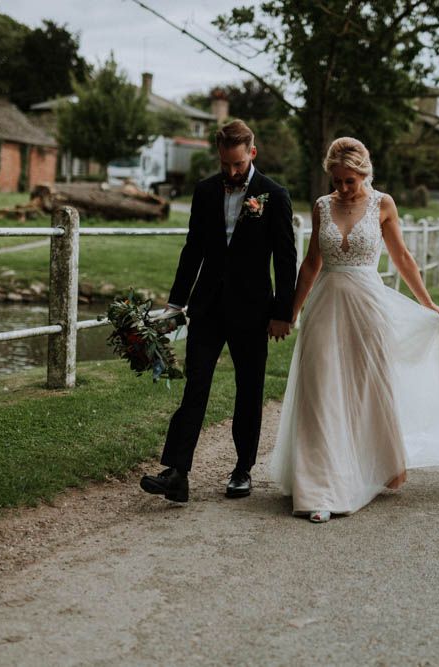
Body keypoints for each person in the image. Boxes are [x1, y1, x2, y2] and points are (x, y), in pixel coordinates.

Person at [270, 137, 439, 523]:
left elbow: (402, 256)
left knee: (369, 389)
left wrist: (426, 302)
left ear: (364, 174)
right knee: (320, 393)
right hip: (325, 308)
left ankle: (379, 464)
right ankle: (319, 488)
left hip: (369, 307)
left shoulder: (382, 204)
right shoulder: (321, 206)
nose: (343, 189)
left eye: (350, 181)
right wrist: (291, 312)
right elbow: (312, 262)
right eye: (337, 181)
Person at [140, 119, 297, 503]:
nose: (230, 172)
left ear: (252, 154)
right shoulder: (205, 191)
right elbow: (193, 249)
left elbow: (286, 258)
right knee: (196, 385)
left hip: (253, 309)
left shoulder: (273, 195)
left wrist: (283, 312)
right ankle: (177, 473)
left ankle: (242, 470)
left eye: (238, 165)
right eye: (225, 164)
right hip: (207, 306)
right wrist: (175, 304)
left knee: (249, 389)